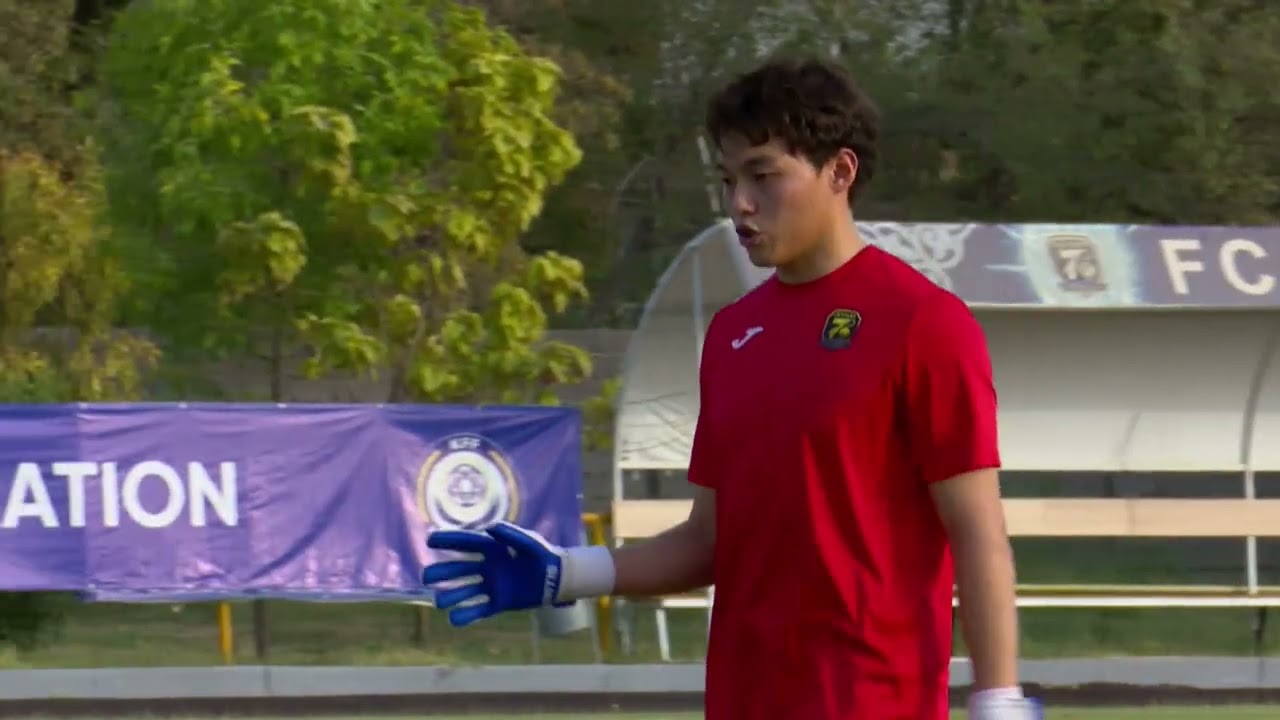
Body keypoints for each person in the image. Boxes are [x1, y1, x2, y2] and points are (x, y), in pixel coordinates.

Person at [421, 56, 1040, 720]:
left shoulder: (923, 324)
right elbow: (709, 541)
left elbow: (977, 533)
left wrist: (998, 699)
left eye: (763, 176)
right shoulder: (733, 334)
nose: (739, 203)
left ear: (840, 172)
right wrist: (567, 573)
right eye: (728, 179)